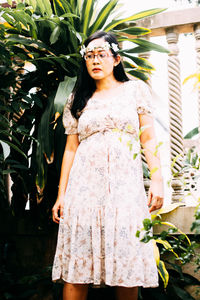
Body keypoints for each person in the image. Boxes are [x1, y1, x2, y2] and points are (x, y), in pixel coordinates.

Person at [52, 31, 164, 300]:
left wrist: (158, 180)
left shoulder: (135, 90)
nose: (94, 60)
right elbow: (70, 149)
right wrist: (61, 194)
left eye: (101, 54)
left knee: (127, 263)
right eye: (89, 55)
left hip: (125, 192)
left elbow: (148, 138)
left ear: (116, 59)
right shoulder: (78, 98)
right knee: (78, 264)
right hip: (84, 192)